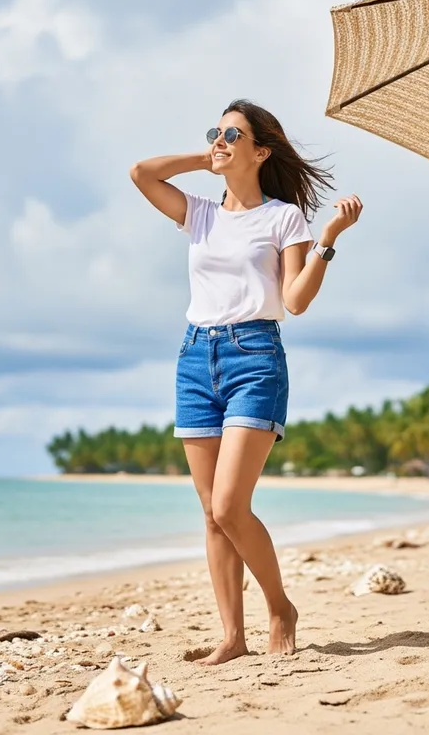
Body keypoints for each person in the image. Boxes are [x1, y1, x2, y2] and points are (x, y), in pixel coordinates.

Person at [130, 99, 362, 665]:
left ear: (261, 151)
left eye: (234, 134)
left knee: (232, 506)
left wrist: (328, 237)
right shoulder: (201, 213)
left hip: (254, 356)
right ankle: (232, 637)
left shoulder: (284, 219)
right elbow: (142, 173)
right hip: (194, 360)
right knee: (211, 513)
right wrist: (206, 155)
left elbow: (296, 301)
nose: (221, 140)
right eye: (217, 131)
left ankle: (280, 608)